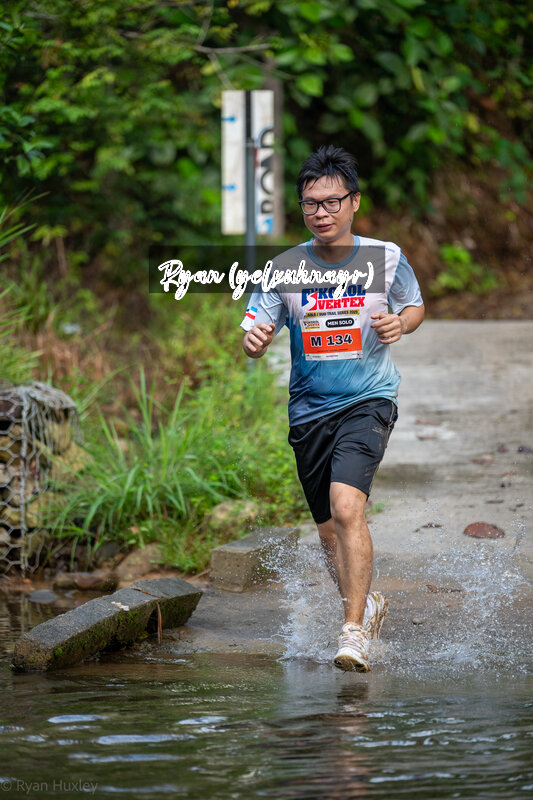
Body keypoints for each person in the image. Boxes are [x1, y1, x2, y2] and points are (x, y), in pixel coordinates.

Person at [241, 145, 424, 672]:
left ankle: (352, 632)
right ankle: (366, 605)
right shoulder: (284, 268)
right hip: (308, 413)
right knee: (327, 533)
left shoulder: (385, 257)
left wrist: (400, 323)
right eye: (310, 204)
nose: (321, 213)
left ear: (354, 202)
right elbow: (255, 331)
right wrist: (255, 341)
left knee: (347, 508)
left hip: (369, 400)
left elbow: (414, 305)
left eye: (331, 202)